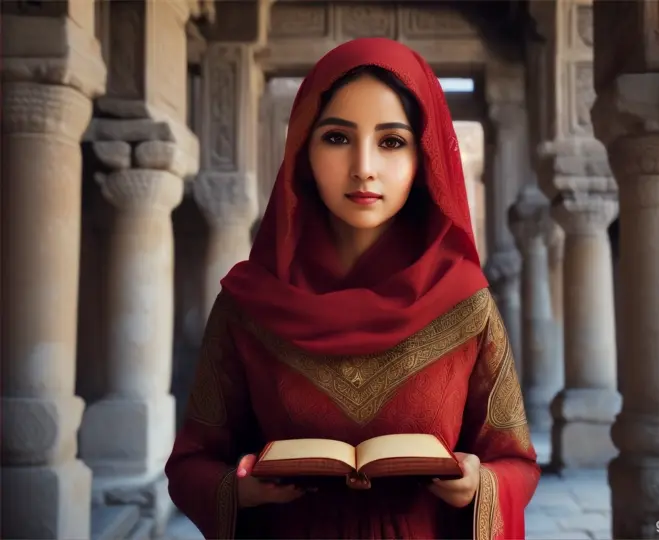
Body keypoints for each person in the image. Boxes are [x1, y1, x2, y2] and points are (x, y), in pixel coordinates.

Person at [165, 37, 540, 540]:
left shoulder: (464, 302)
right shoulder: (247, 304)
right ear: (303, 149)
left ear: (424, 157)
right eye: (338, 138)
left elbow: (514, 461)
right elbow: (192, 463)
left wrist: (479, 484)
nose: (364, 165)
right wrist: (242, 490)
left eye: (391, 141)